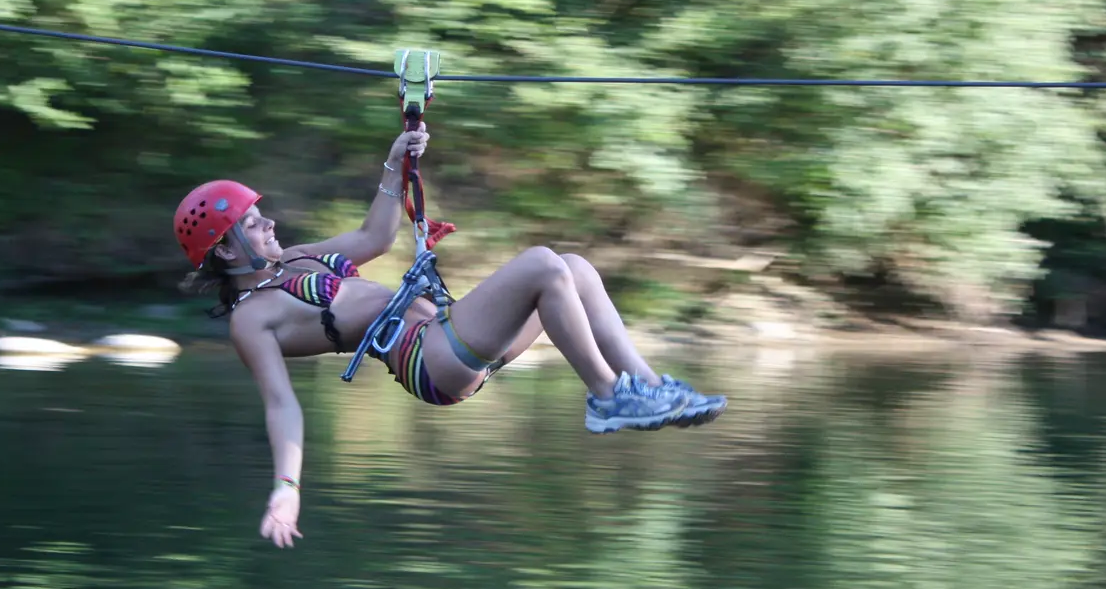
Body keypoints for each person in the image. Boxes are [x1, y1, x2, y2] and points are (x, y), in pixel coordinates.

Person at [175, 126, 726, 548]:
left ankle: (646, 387)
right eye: (252, 223)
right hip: (429, 357)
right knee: (540, 264)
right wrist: (287, 489)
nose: (268, 224)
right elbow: (281, 406)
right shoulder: (251, 320)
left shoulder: (294, 259)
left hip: (444, 330)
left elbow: (375, 236)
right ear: (225, 250)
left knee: (573, 268)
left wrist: (395, 163)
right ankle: (608, 396)